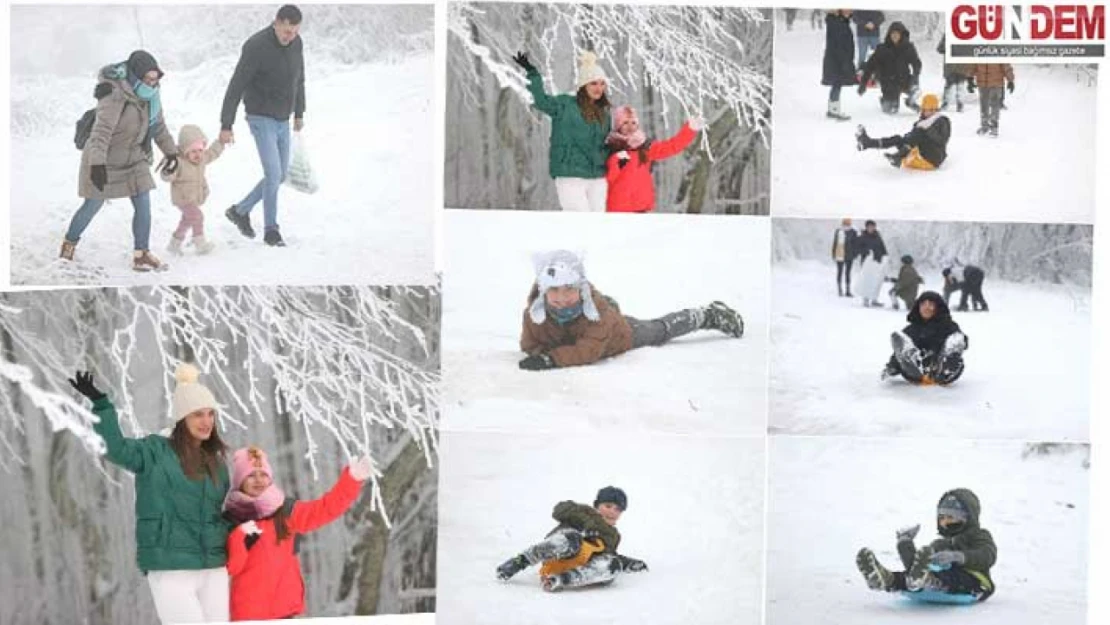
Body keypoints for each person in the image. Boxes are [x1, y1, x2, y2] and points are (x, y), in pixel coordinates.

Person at [68, 364, 231, 623]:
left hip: (213, 567)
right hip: (170, 566)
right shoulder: (154, 451)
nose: (207, 421)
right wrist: (101, 405)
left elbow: (220, 514)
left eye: (211, 414)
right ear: (182, 418)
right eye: (197, 414)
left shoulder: (217, 463)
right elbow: (115, 449)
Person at [518, 250, 744, 370]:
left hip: (622, 333)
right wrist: (541, 353)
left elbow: (588, 351)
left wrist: (552, 359)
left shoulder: (599, 315)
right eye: (554, 289)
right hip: (602, 322)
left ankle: (706, 315)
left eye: (569, 289)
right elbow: (529, 345)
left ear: (582, 289)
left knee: (660, 330)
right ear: (543, 291)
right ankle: (611, 303)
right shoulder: (533, 316)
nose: (561, 297)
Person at [61, 50, 178, 272]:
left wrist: (171, 153)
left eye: (156, 79)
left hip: (134, 157)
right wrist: (96, 164)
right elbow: (101, 132)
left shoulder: (151, 96)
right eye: (148, 79)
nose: (152, 84)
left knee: (144, 203)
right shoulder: (114, 94)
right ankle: (69, 243)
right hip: (104, 157)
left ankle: (141, 254)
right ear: (135, 76)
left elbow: (158, 127)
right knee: (92, 204)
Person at [224, 446, 371, 620]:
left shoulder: (285, 512)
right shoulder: (231, 518)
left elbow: (324, 509)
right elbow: (232, 567)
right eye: (251, 475)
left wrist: (351, 480)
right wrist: (239, 535)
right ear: (240, 480)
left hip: (284, 611)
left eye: (263, 474)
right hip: (248, 614)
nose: (258, 480)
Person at [221, 4, 306, 247]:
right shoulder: (256, 46)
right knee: (273, 173)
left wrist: (299, 111)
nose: (290, 37)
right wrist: (226, 124)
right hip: (260, 116)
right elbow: (236, 85)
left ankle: (239, 211)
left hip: (283, 118)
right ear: (276, 22)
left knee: (279, 176)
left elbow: (300, 79)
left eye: (295, 32)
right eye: (286, 31)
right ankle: (271, 230)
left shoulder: (297, 43)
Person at [495, 486, 648, 592]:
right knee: (572, 539)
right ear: (596, 505)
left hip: (575, 567)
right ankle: (520, 561)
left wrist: (628, 563)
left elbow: (611, 554)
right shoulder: (584, 512)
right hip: (557, 552)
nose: (612, 512)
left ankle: (562, 580)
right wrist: (588, 523)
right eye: (608, 506)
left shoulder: (613, 536)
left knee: (612, 563)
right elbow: (559, 509)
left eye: (618, 509)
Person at [856, 489, 996, 604]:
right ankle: (886, 579)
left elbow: (987, 555)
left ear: (967, 518)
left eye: (951, 517)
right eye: (942, 517)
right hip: (939, 577)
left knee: (953, 576)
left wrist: (959, 557)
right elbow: (916, 567)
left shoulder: (979, 535)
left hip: (976, 583)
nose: (945, 522)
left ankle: (930, 581)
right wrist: (905, 543)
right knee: (913, 575)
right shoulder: (940, 543)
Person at [514, 50, 612, 212]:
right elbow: (541, 101)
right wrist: (533, 74)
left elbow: (604, 143)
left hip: (597, 177)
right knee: (579, 224)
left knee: (598, 227)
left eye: (602, 83)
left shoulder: (604, 112)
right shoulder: (565, 105)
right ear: (583, 85)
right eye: (593, 83)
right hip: (570, 174)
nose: (599, 88)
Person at [604, 106, 702, 212]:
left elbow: (671, 147)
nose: (630, 126)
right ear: (618, 125)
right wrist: (616, 162)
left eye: (633, 123)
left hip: (641, 208)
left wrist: (689, 130)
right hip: (617, 210)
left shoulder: (645, 148)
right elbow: (606, 180)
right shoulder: (610, 147)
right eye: (625, 123)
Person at [161, 125, 227, 256]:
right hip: (183, 198)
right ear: (185, 151)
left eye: (200, 150)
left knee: (187, 220)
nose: (198, 155)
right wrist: (169, 169)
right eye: (193, 151)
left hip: (194, 197)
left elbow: (213, 153)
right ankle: (200, 244)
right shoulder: (179, 162)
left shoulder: (202, 159)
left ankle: (174, 244)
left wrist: (221, 142)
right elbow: (167, 177)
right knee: (197, 216)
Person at [881, 291, 969, 385]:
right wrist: (892, 367)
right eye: (923, 304)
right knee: (901, 339)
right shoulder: (911, 329)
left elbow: (960, 345)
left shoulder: (948, 326)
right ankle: (919, 369)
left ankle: (944, 370)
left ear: (937, 307)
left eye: (931, 304)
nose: (926, 308)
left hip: (943, 370)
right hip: (917, 371)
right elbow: (899, 353)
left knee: (956, 338)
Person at [855, 93, 951, 170]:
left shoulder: (942, 121)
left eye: (931, 110)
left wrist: (926, 130)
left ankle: (899, 157)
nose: (928, 112)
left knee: (920, 133)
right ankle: (867, 143)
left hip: (933, 158)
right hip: (919, 153)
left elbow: (942, 140)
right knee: (898, 138)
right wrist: (905, 139)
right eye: (926, 110)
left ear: (935, 110)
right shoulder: (921, 122)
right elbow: (912, 138)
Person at [857, 21, 922, 114]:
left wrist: (915, 76)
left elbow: (916, 63)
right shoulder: (882, 49)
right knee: (891, 111)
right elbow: (870, 66)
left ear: (902, 35)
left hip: (904, 79)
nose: (895, 36)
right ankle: (885, 100)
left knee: (915, 89)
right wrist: (863, 83)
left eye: (897, 34)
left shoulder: (908, 47)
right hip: (888, 82)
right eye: (893, 34)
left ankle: (910, 101)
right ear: (889, 34)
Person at [822, 10, 856, 121]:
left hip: (839, 59)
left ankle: (833, 109)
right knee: (837, 83)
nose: (849, 11)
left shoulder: (841, 22)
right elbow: (838, 44)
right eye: (846, 10)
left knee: (837, 84)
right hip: (838, 60)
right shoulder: (837, 23)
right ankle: (833, 111)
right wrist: (844, 61)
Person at [969, 64, 1015, 137]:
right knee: (984, 105)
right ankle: (985, 125)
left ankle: (994, 126)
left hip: (996, 83)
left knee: (994, 105)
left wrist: (1010, 80)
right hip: (982, 83)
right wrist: (970, 78)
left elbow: (1006, 66)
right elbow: (973, 65)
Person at [936, 36, 973, 112]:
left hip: (950, 66)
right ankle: (960, 104)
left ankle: (945, 104)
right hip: (962, 65)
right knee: (960, 86)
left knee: (949, 86)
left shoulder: (947, 35)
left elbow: (940, 49)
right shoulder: (966, 35)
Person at [854, 220, 887, 307]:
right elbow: (857, 248)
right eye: (869, 227)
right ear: (866, 227)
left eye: (872, 226)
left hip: (877, 261)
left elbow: (882, 246)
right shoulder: (862, 237)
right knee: (867, 281)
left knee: (876, 281)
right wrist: (866, 252)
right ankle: (866, 300)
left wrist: (885, 256)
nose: (871, 228)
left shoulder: (877, 236)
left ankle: (874, 299)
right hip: (867, 262)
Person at [831, 218, 858, 297]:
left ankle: (848, 290)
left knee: (848, 273)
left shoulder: (853, 232)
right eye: (845, 223)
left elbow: (855, 244)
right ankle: (840, 289)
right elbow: (835, 242)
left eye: (848, 223)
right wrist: (833, 253)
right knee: (840, 272)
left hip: (849, 255)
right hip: (839, 254)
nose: (846, 225)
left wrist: (855, 254)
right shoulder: (838, 231)